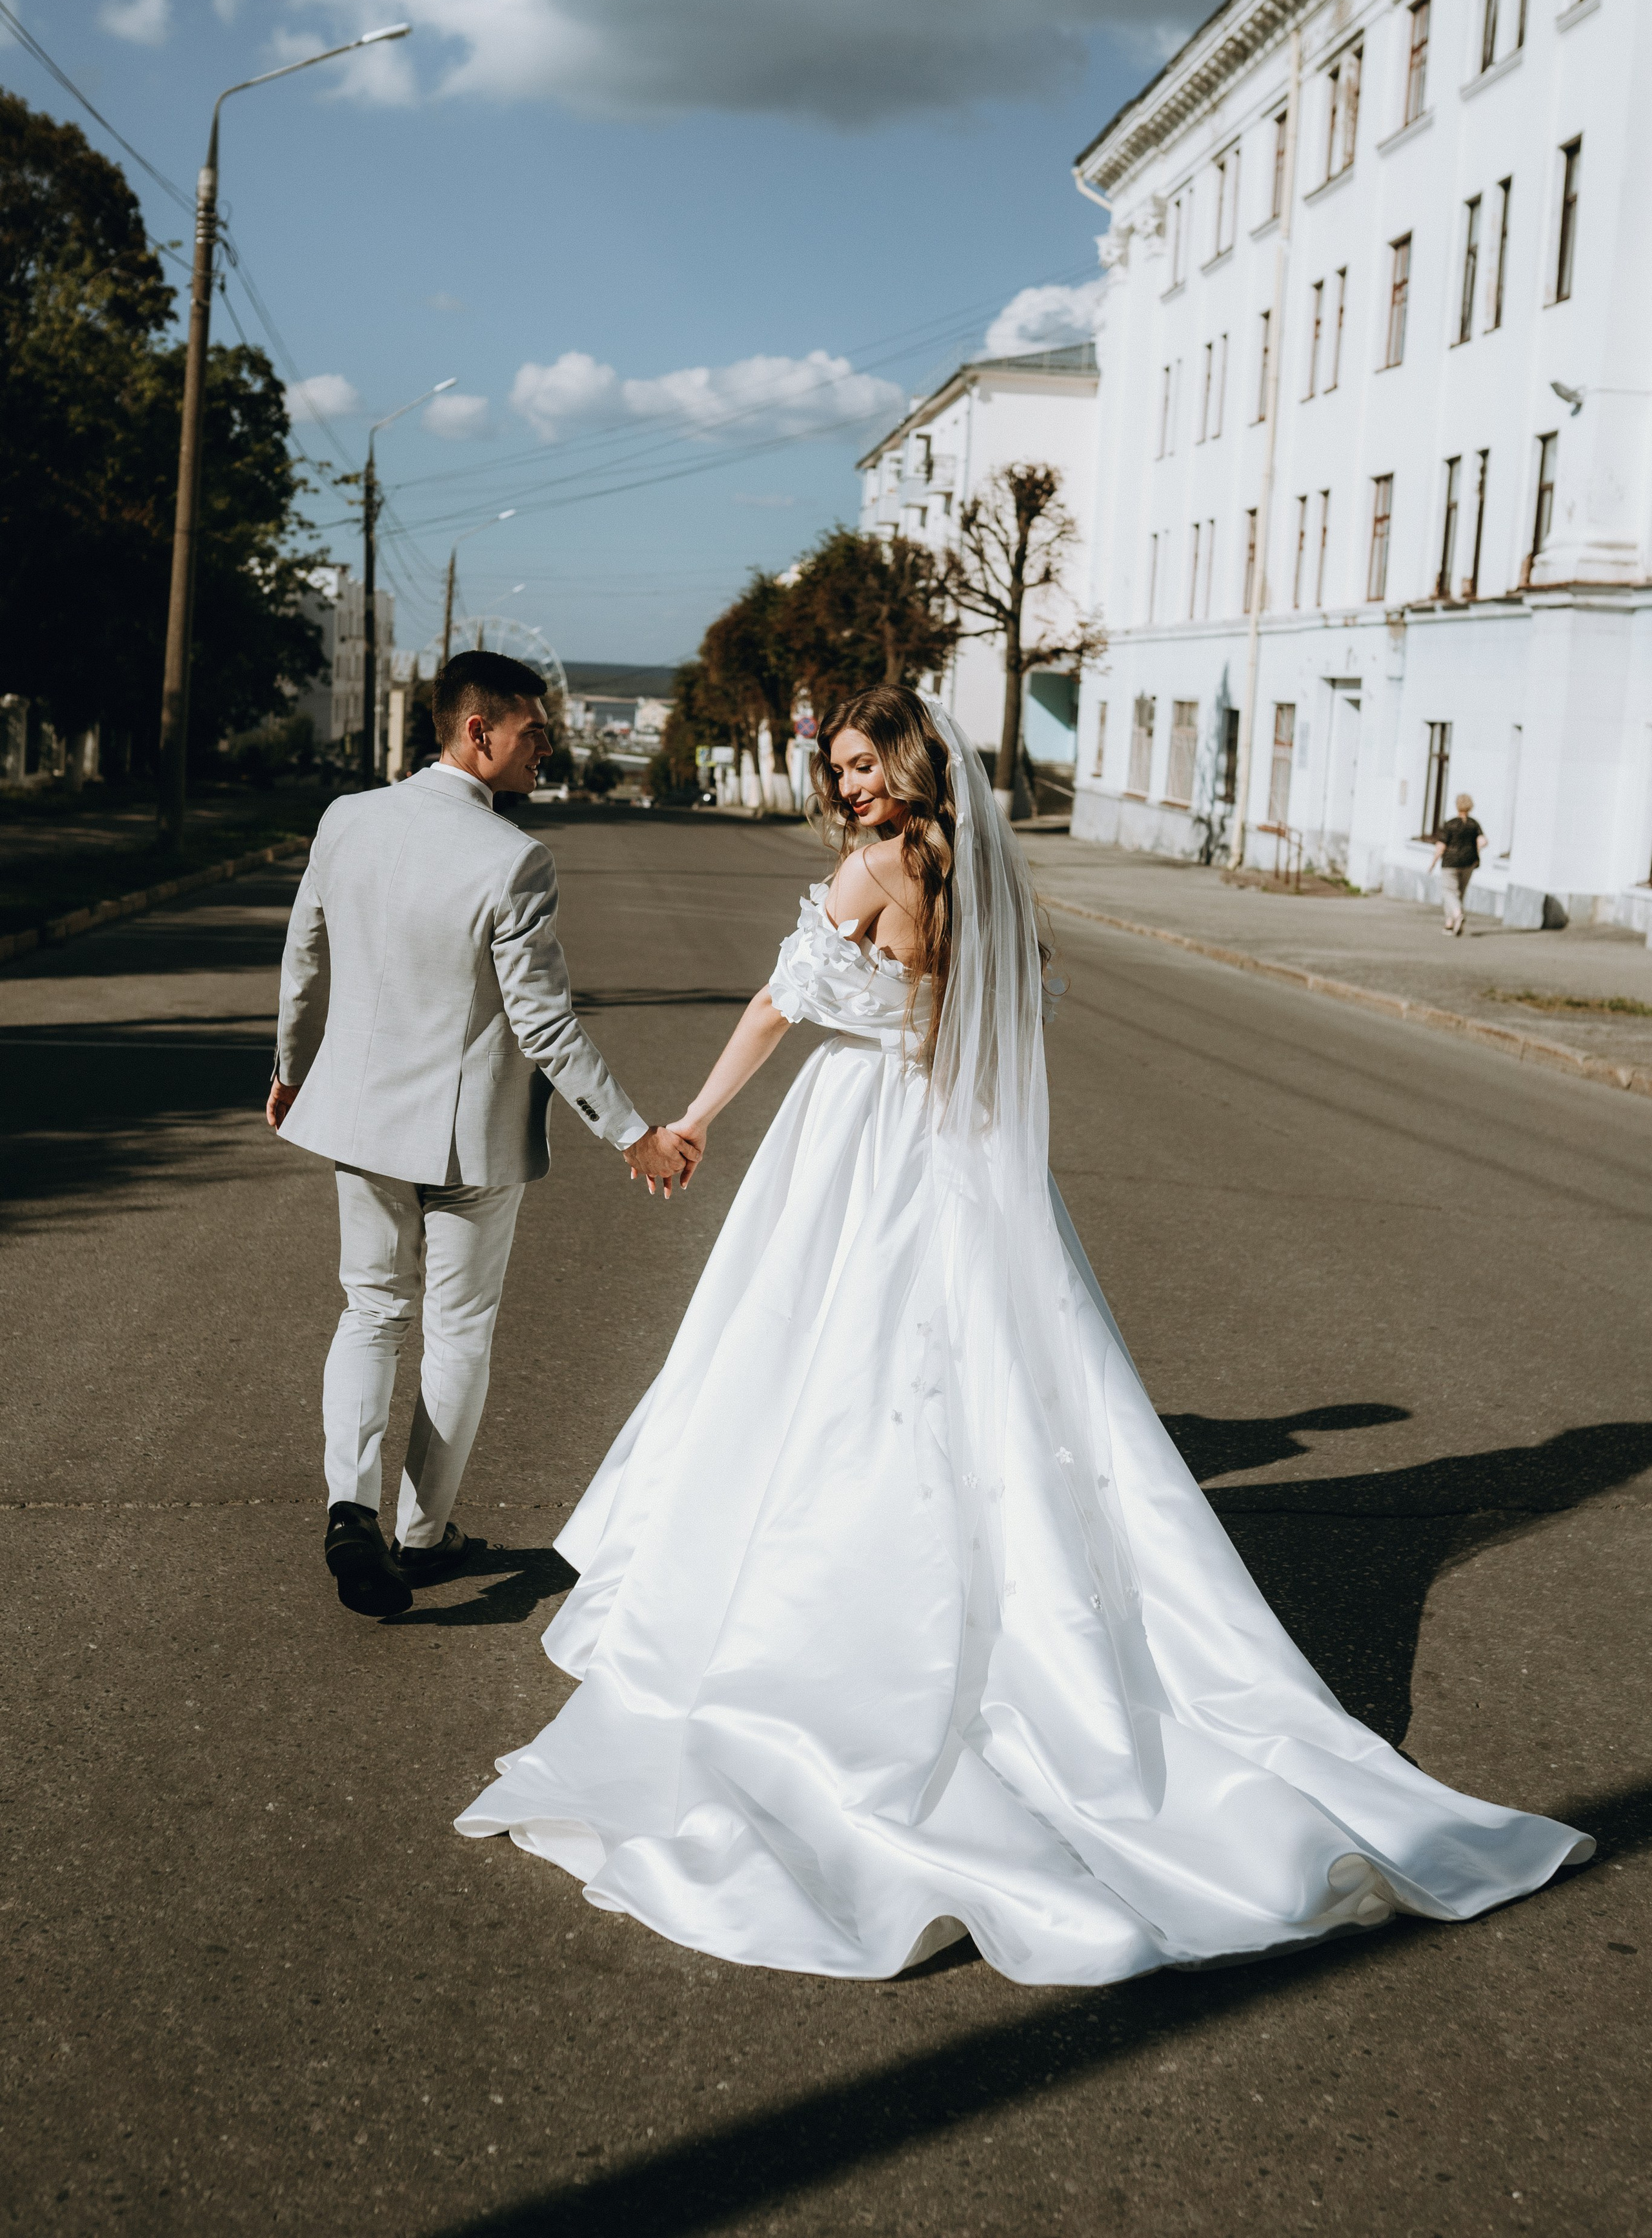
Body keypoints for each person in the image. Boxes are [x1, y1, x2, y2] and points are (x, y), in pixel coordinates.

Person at [455, 686, 1589, 1986]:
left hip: (861, 1143)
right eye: (835, 769)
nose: (846, 785)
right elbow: (1022, 1004)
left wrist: (695, 1121)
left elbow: (777, 1007)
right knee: (985, 1376)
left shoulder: (873, 871)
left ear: (906, 763)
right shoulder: (988, 878)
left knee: (832, 1370)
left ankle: (833, 1612)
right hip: (961, 1142)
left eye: (861, 763)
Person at [270, 651, 696, 1621]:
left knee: (370, 1311)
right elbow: (543, 1026)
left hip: (364, 1120)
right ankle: (422, 1540)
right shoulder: (514, 860)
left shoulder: (348, 820)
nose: (546, 749)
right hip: (469, 1142)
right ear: (480, 732)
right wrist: (632, 1134)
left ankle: (350, 1510)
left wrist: (294, 1070)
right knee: (456, 1331)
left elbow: (305, 953)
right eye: (534, 734)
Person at [1431, 792, 1488, 936]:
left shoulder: (1450, 824)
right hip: (1469, 862)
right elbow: (1483, 841)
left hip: (1450, 862)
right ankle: (1450, 924)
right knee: (1459, 893)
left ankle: (1457, 915)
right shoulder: (1474, 824)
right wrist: (1476, 851)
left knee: (1449, 892)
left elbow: (1441, 846)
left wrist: (1433, 863)